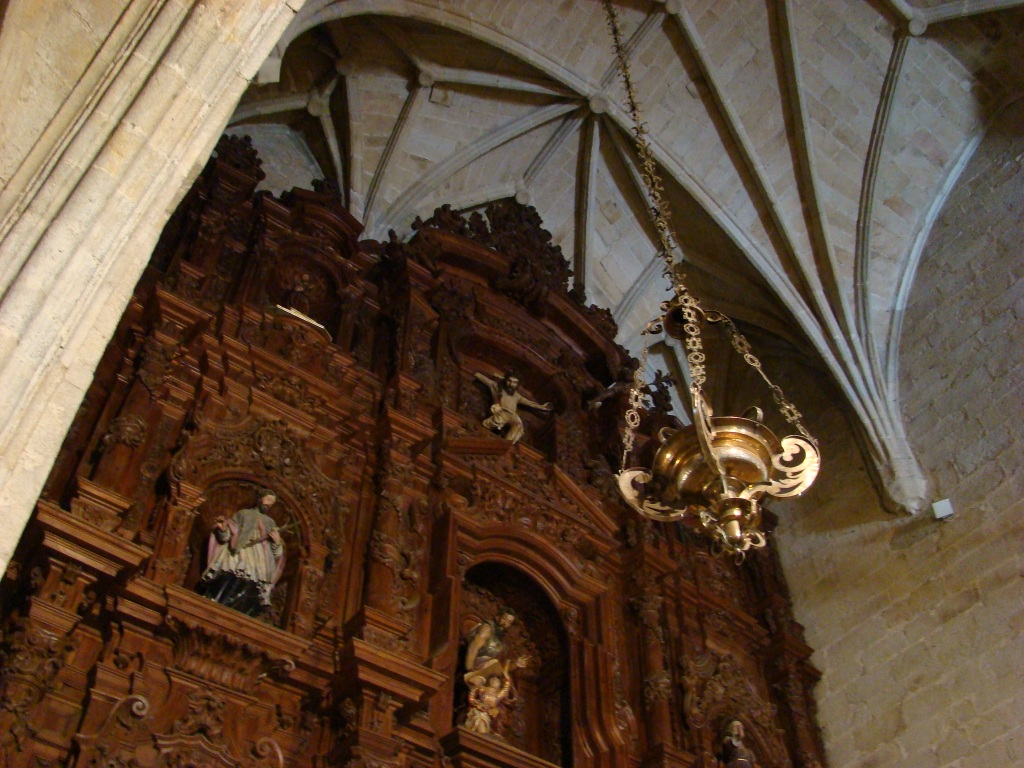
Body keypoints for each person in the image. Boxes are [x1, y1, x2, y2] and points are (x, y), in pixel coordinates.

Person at [197, 488, 285, 616]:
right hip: (240, 550)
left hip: (260, 558)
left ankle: (237, 612)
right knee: (229, 575)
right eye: (268, 499)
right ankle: (215, 602)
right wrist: (223, 529)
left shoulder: (271, 523)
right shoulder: (244, 514)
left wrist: (276, 541)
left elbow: (277, 554)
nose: (269, 504)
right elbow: (228, 536)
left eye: (272, 502)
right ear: (260, 499)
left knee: (251, 584)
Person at [474, 370, 553, 443]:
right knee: (498, 420)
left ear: (517, 384)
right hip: (502, 411)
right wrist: (477, 374)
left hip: (512, 414)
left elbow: (530, 403)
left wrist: (543, 407)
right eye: (509, 381)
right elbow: (482, 377)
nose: (512, 384)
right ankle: (484, 426)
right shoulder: (496, 387)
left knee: (519, 426)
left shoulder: (517, 396)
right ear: (505, 380)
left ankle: (507, 444)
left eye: (514, 382)